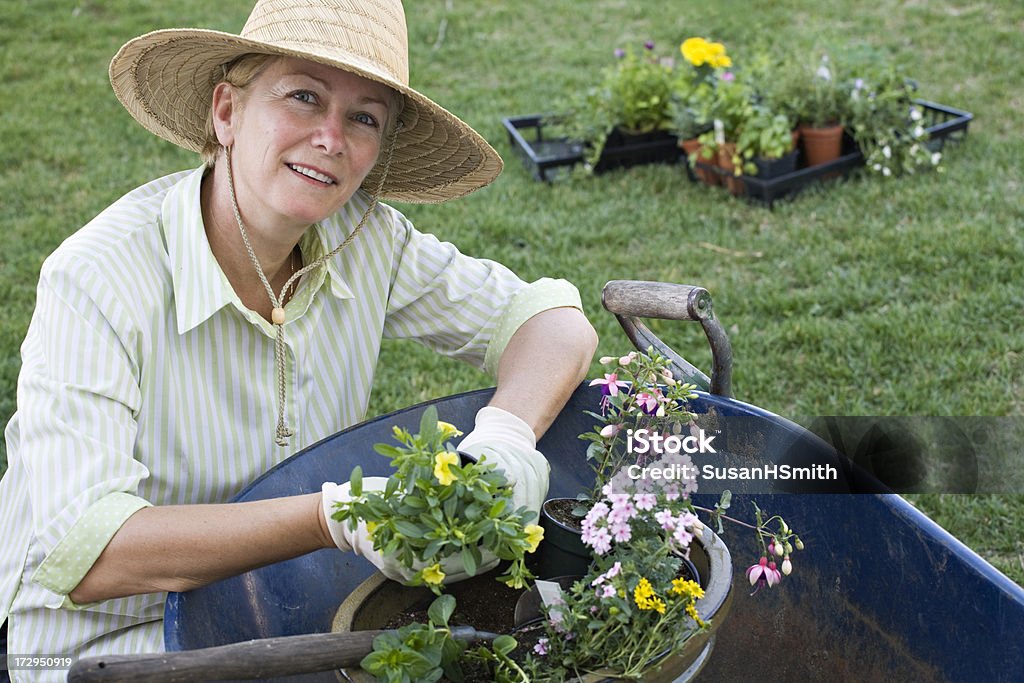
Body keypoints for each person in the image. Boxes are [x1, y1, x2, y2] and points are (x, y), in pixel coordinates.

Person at [0, 0, 598, 678]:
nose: (331, 138)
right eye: (304, 97)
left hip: (289, 607)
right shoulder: (100, 276)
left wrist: (507, 433)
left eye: (363, 117)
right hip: (107, 644)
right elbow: (90, 552)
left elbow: (549, 319)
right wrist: (332, 516)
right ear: (227, 111)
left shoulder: (365, 237)